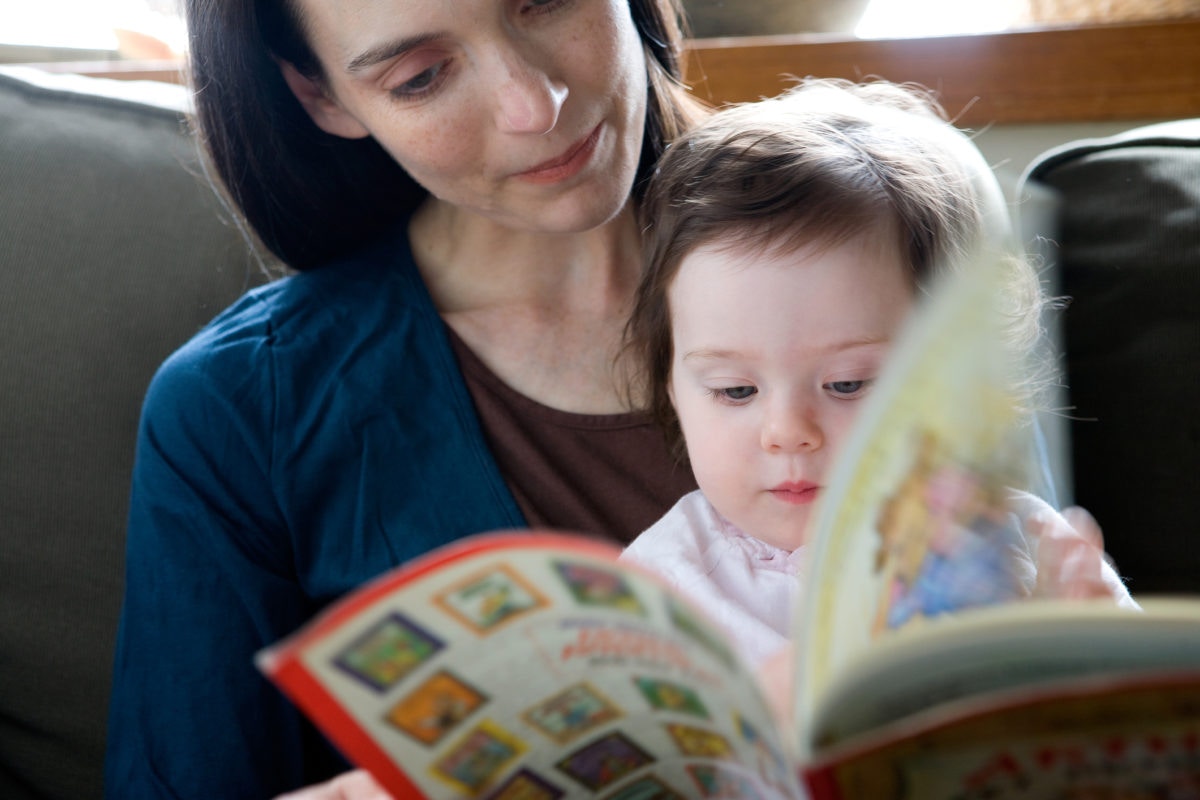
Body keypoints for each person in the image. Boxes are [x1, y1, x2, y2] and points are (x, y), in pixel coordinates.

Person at [104, 1, 708, 797]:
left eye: (547, 0)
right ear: (321, 97)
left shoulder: (884, 248)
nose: (536, 104)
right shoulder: (242, 410)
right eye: (420, 77)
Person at [618, 78, 1137, 672]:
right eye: (735, 390)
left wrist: (1093, 656)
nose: (787, 431)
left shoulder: (1023, 548)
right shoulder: (656, 593)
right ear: (674, 393)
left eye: (847, 383)